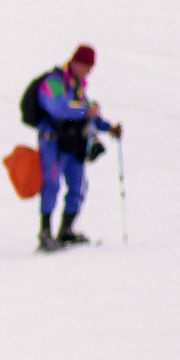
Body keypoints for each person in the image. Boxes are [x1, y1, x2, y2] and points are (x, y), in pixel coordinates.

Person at [27, 45, 123, 251]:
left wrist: (109, 128)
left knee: (78, 185)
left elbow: (89, 115)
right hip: (52, 143)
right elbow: (59, 108)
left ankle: (66, 230)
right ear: (76, 62)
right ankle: (45, 233)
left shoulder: (78, 87)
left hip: (72, 145)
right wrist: (86, 111)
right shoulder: (53, 82)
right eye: (86, 67)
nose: (88, 72)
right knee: (51, 184)